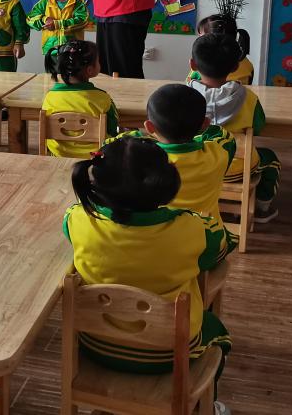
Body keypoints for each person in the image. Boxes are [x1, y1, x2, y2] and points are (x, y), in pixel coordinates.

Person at [62, 138, 232, 411]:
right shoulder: (193, 228)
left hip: (95, 344)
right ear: (164, 184)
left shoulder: (76, 218)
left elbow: (71, 231)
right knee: (219, 334)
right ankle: (208, 408)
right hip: (168, 352)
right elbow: (216, 254)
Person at [109, 84, 237, 258]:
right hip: (202, 239)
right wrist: (202, 127)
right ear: (204, 124)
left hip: (151, 240)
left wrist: (140, 137)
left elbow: (113, 145)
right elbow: (221, 134)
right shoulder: (218, 152)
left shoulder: (139, 161)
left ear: (149, 127)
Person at [187, 34, 281, 223]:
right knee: (271, 160)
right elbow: (258, 128)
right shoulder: (249, 98)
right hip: (236, 168)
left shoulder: (184, 97)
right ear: (236, 67)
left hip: (196, 164)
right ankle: (262, 208)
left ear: (192, 65)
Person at [41, 39, 118, 158]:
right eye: (98, 61)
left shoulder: (50, 97)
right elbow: (113, 129)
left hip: (59, 157)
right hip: (94, 158)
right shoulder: (102, 98)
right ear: (90, 70)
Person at [187, 13, 253, 85]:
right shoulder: (244, 62)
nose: (199, 39)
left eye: (201, 36)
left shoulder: (205, 61)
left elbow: (189, 83)